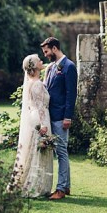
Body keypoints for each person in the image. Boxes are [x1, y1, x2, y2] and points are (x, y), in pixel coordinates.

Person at [8, 54, 54, 198]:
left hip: (34, 117)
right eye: (39, 60)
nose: (42, 61)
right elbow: (40, 106)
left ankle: (31, 183)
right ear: (34, 67)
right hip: (41, 117)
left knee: (34, 150)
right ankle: (37, 186)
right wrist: (43, 125)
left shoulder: (31, 82)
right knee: (41, 150)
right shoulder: (37, 84)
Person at [40, 37, 78, 200]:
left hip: (61, 116)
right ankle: (66, 186)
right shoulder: (52, 67)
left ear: (54, 49)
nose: (46, 55)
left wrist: (67, 117)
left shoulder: (69, 67)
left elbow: (71, 94)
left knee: (61, 153)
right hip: (51, 115)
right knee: (61, 152)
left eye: (47, 51)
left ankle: (61, 189)